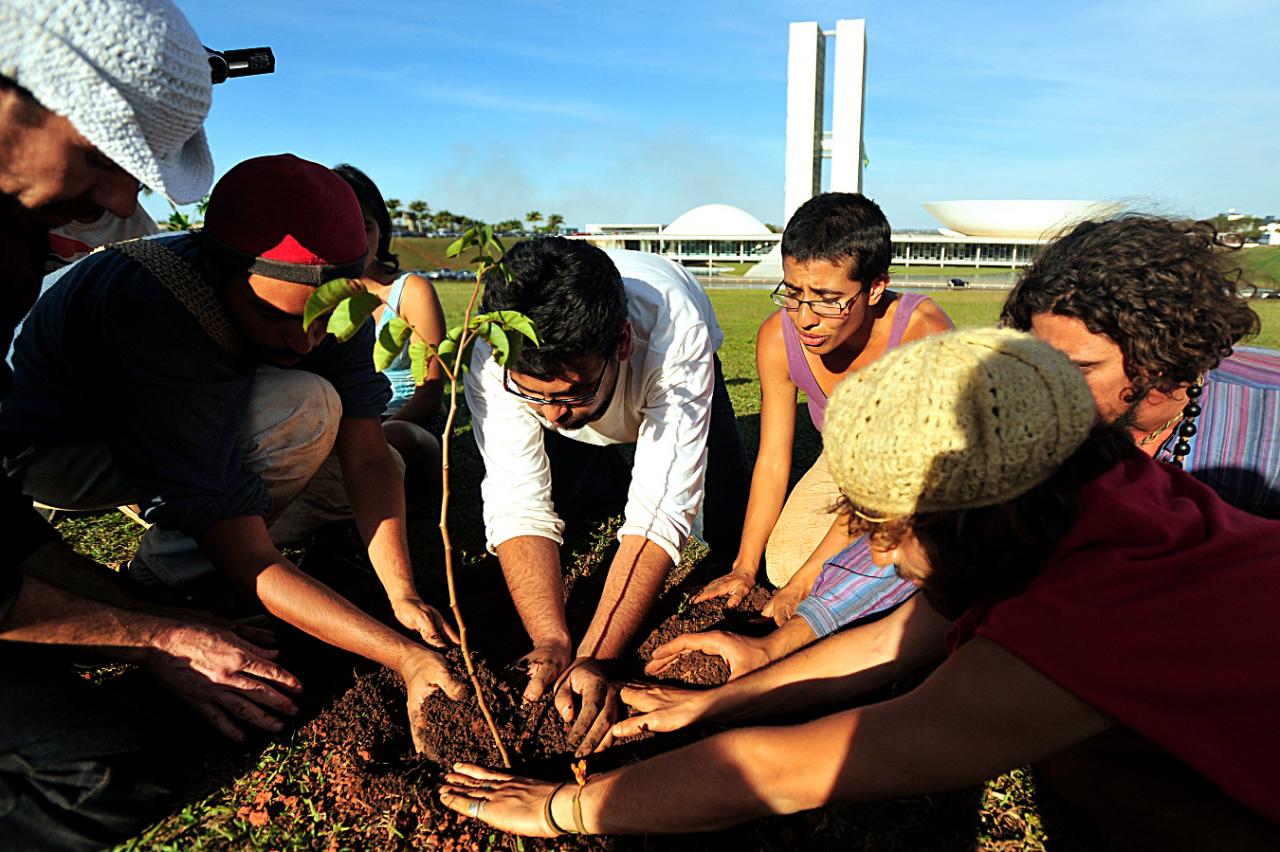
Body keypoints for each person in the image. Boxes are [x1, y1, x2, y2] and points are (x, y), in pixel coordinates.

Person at [437, 328, 1280, 848]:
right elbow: (901, 637)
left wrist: (562, 811)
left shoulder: (1081, 624)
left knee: (1080, 756)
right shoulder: (1096, 491)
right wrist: (720, 701)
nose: (872, 547)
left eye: (884, 525)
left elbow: (787, 770)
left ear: (965, 514)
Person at [658, 214, 1279, 680]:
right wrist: (783, 637)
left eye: (1078, 368)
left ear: (1162, 352)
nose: (1048, 389)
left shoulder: (1265, 414)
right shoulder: (1031, 420)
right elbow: (937, 551)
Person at [1, 156, 465, 758]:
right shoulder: (149, 301)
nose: (303, 340)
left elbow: (369, 460)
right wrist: (402, 656)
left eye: (322, 319)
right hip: (62, 450)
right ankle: (171, 580)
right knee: (300, 403)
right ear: (219, 270)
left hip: (201, 415)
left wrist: (400, 592)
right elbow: (242, 550)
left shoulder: (330, 309)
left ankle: (230, 541)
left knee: (389, 460)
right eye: (274, 316)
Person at [0, 1, 298, 846]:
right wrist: (150, 638)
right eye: (99, 155)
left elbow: (4, 534)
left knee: (121, 746)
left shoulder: (18, 247)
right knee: (100, 778)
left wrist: (149, 622)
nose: (117, 196)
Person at [463, 237, 751, 755]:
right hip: (591, 393)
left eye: (570, 393)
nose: (550, 415)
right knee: (567, 503)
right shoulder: (494, 346)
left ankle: (615, 454)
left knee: (729, 523)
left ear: (621, 342)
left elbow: (662, 509)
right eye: (533, 395)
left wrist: (595, 655)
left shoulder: (673, 331)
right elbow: (516, 496)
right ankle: (601, 468)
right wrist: (551, 640)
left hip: (664, 374)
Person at [695, 192, 951, 625]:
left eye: (828, 299)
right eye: (793, 293)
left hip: (923, 467)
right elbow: (774, 458)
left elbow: (890, 479)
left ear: (874, 287)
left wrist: (803, 586)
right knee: (783, 563)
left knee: (914, 553)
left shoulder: (922, 335)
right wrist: (744, 566)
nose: (805, 317)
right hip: (844, 459)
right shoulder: (779, 337)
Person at [332, 164, 446, 498]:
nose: (354, 240)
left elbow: (431, 391)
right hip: (349, 423)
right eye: (339, 228)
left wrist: (375, 430)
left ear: (382, 229)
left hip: (407, 421)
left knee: (393, 436)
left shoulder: (411, 291)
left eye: (364, 227)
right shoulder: (319, 296)